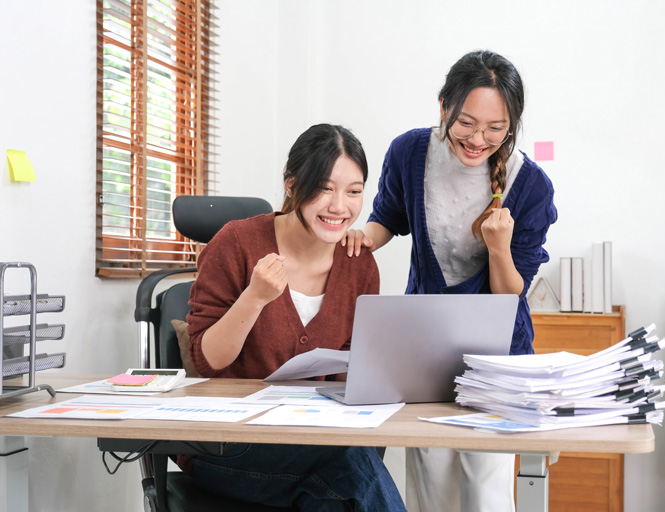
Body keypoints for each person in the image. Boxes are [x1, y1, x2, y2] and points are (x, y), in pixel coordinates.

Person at [343, 50, 557, 512]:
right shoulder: (410, 153)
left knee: (487, 488)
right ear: (443, 108)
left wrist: (499, 245)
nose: (479, 139)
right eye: (466, 122)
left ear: (511, 125)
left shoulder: (531, 185)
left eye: (496, 128)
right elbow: (388, 219)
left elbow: (509, 294)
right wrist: (360, 238)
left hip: (499, 359)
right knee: (431, 485)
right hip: (426, 350)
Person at [182, 123, 406, 512]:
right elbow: (208, 360)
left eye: (353, 192)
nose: (340, 207)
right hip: (226, 444)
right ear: (291, 185)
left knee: (338, 491)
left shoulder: (359, 264)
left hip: (314, 439)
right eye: (324, 188)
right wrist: (255, 297)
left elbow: (347, 373)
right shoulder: (236, 243)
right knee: (347, 464)